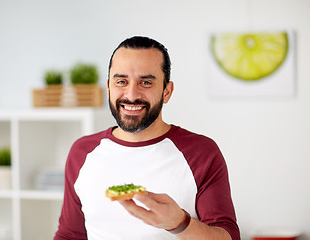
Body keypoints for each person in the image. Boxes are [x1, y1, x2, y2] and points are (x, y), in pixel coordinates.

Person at [54, 36, 240, 240]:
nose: (131, 95)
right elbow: (69, 236)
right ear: (108, 88)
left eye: (146, 82)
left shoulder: (201, 152)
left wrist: (179, 224)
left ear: (166, 92)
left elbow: (228, 237)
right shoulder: (82, 151)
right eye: (121, 81)